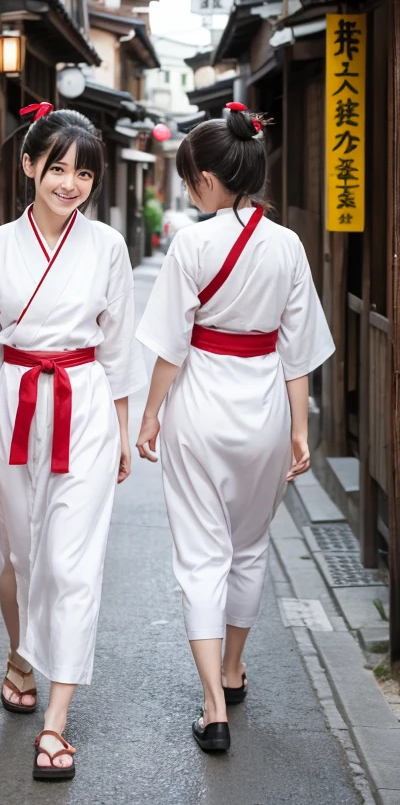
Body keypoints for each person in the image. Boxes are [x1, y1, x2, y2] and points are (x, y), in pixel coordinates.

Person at [0, 103, 145, 781]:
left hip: (82, 405)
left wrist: (120, 429)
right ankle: (21, 654)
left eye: (83, 173)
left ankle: (55, 723)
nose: (69, 184)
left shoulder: (108, 247)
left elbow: (115, 347)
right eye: (57, 168)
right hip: (15, 406)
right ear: (29, 165)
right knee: (23, 556)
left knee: (73, 563)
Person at [135, 103, 335, 753]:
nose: (192, 187)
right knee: (248, 549)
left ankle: (214, 708)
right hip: (265, 413)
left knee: (201, 556)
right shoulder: (288, 244)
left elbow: (171, 345)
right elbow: (297, 349)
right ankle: (234, 666)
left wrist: (150, 413)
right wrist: (299, 431)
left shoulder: (193, 241)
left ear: (210, 182)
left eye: (192, 177)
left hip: (199, 410)